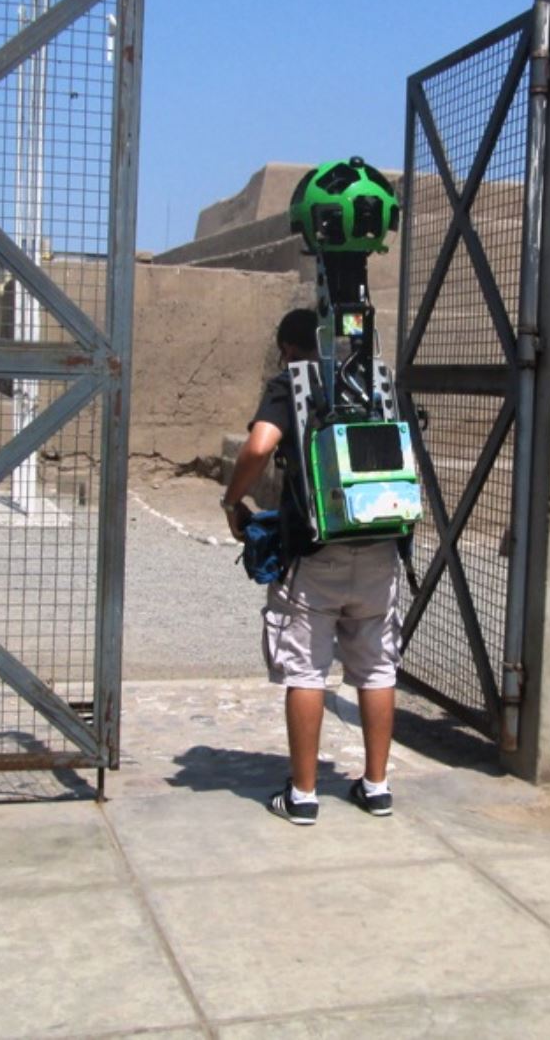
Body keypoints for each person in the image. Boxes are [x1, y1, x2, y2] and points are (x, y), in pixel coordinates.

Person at [222, 307, 402, 825]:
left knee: (306, 669)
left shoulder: (292, 383)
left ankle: (302, 796)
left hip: (316, 550)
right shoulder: (378, 383)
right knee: (376, 668)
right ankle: (376, 786)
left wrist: (232, 500)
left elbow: (260, 446)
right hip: (379, 542)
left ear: (287, 349)